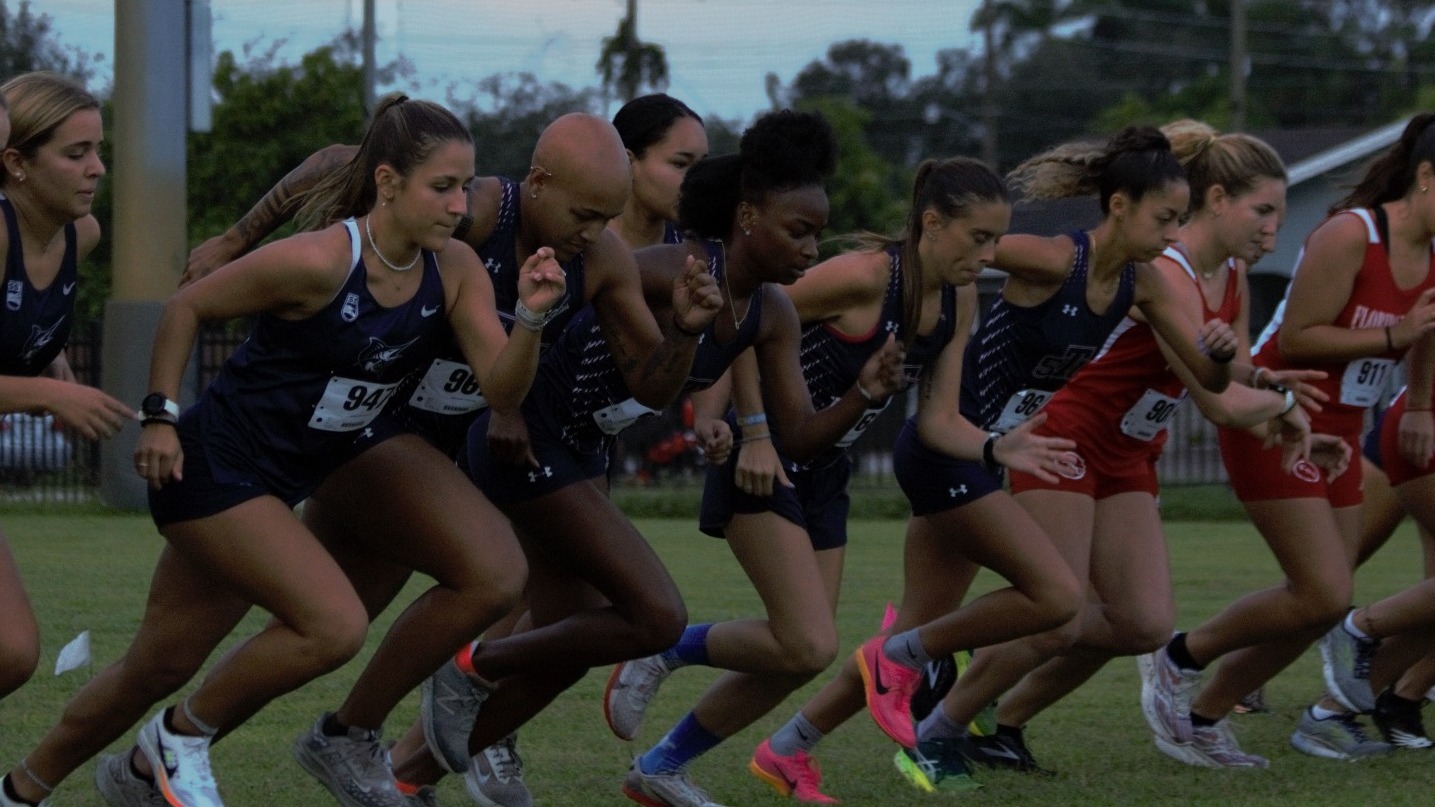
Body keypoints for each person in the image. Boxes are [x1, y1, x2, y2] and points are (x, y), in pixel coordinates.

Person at [0, 95, 566, 807]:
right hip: (213, 467)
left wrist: (535, 322)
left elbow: (500, 384)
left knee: (159, 660)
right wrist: (159, 417)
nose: (459, 205)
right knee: (333, 623)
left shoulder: (453, 269)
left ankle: (20, 790)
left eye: (465, 186)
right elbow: (188, 305)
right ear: (388, 183)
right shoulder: (322, 258)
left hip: (284, 477)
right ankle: (178, 739)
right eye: (441, 186)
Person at [175, 111, 674, 807]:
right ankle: (333, 732)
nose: (594, 231)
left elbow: (650, 374)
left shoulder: (599, 258)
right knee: (486, 574)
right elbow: (335, 159)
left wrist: (691, 331)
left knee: (317, 629)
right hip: (367, 430)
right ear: (537, 182)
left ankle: (174, 754)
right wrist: (237, 236)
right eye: (585, 212)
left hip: (418, 448)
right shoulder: (469, 212)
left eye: (608, 217)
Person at [599, 156, 1080, 805]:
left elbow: (938, 421)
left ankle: (660, 765)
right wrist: (742, 425)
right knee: (804, 638)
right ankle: (665, 649)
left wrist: (998, 444)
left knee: (799, 652)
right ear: (932, 224)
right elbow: (743, 315)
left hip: (824, 465)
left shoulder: (957, 298)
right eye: (979, 238)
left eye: (997, 240)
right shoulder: (860, 278)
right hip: (762, 455)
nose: (991, 254)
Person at [937, 121, 1336, 780]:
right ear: (1214, 201)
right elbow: (1213, 402)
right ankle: (938, 716)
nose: (1273, 228)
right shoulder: (1166, 273)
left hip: (1127, 451)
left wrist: (1269, 392)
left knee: (1140, 622)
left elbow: (1225, 373)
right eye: (1262, 210)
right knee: (1058, 613)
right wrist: (1283, 407)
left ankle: (994, 717)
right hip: (1064, 438)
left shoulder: (1231, 273)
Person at [1140, 112, 1435, 768]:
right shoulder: (1351, 234)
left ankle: (1202, 714)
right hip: (1275, 416)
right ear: (1424, 177)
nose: (1272, 229)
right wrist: (1391, 337)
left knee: (1312, 602)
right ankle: (1177, 655)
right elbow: (1298, 337)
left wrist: (1416, 400)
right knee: (1324, 594)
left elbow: (1424, 330)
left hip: (1342, 426)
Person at [0, 72, 132, 707]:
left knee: (11, 653)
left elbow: (24, 324)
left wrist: (54, 363)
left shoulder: (83, 236)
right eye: (75, 153)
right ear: (16, 163)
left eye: (98, 150)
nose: (97, 168)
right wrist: (50, 397)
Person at [609, 93, 708, 249]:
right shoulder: (576, 247)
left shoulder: (701, 253)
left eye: (702, 166)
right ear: (628, 162)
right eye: (680, 164)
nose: (699, 179)